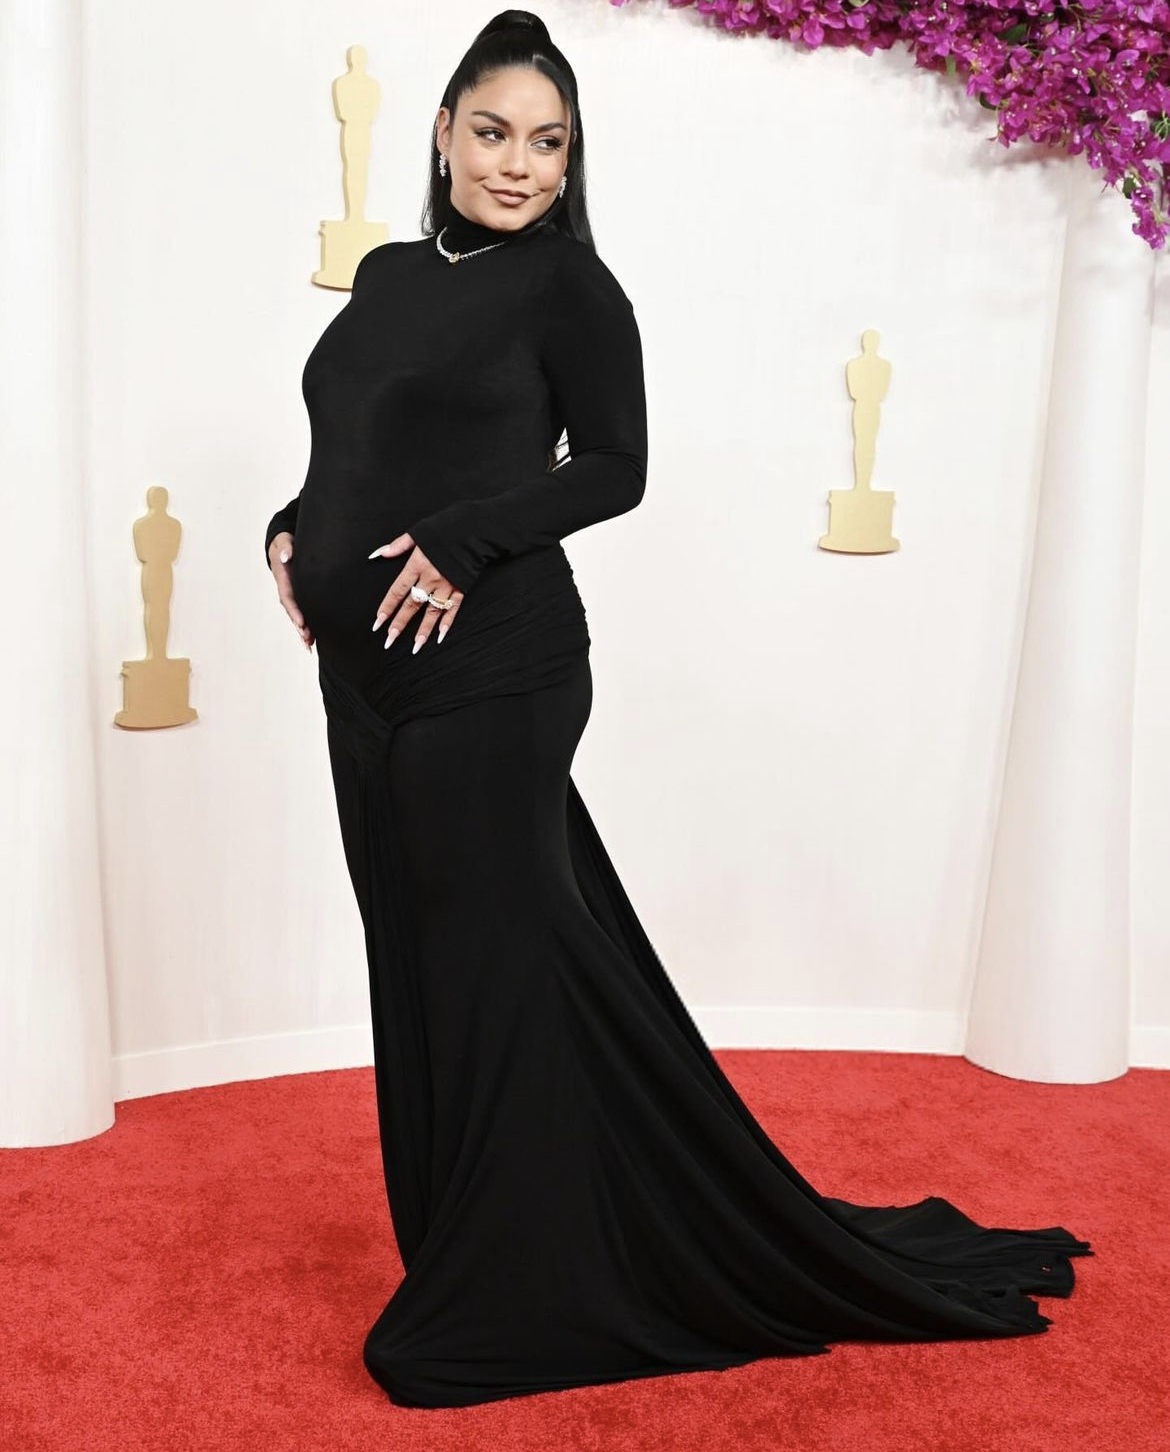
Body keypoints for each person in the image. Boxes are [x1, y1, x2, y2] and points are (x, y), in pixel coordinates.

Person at [264, 8, 1092, 1412]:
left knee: (498, 976)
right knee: (421, 964)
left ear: (570, 157)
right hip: (363, 679)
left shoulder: (573, 289)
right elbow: (356, 441)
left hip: (498, 672)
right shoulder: (393, 273)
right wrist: (291, 530)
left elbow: (616, 466)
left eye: (547, 144)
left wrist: (465, 538)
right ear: (443, 131)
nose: (518, 165)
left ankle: (521, 1289)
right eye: (492, 132)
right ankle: (476, 1246)